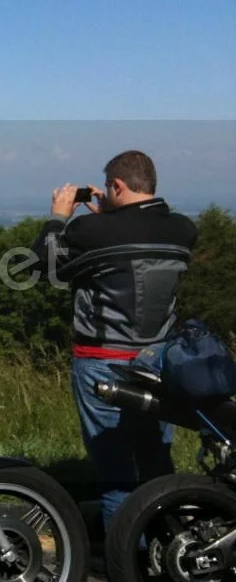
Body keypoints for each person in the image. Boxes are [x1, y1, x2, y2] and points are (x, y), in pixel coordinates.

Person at [31, 150, 198, 531]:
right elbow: (138, 239)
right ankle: (167, 545)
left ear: (117, 185)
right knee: (156, 461)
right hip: (159, 362)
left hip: (102, 363)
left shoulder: (91, 231)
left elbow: (41, 263)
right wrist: (113, 215)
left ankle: (125, 558)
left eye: (109, 187)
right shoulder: (183, 230)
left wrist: (59, 216)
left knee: (116, 476)